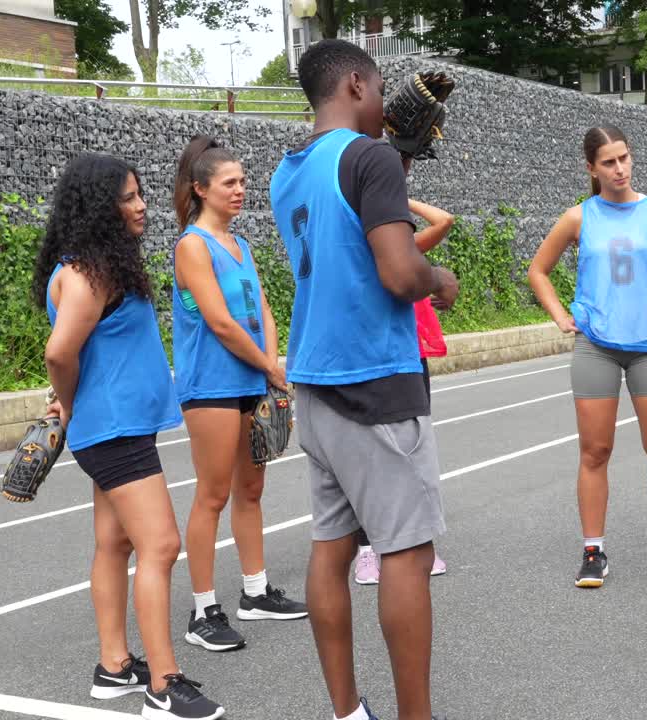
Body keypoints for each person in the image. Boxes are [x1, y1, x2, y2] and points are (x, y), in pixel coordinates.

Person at [270, 39, 460, 720]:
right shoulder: (369, 157)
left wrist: (395, 159)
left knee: (331, 549)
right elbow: (400, 271)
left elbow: (345, 242)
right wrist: (439, 281)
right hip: (375, 378)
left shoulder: (287, 171)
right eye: (378, 90)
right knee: (407, 553)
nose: (384, 104)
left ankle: (346, 711)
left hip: (315, 381)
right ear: (355, 84)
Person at [33, 153, 224, 720]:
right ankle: (164, 685)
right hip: (112, 430)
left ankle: (113, 667)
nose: (142, 206)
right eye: (129, 198)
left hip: (119, 425)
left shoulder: (96, 266)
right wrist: (68, 404)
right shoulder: (91, 273)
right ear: (99, 208)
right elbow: (58, 351)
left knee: (115, 543)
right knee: (161, 544)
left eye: (141, 194)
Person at [528, 125, 647, 589]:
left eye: (624, 157)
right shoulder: (578, 217)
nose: (620, 168)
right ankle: (593, 552)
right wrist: (561, 317)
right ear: (591, 168)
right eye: (608, 162)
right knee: (595, 451)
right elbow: (538, 270)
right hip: (597, 348)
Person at [171, 136, 309, 654]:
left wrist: (272, 363)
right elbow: (222, 324)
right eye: (229, 183)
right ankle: (203, 610)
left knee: (251, 491)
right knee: (213, 494)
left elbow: (264, 311)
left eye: (243, 181)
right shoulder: (192, 245)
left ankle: (255, 592)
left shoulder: (241, 245)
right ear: (201, 189)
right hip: (211, 385)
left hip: (253, 380)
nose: (240, 190)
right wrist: (268, 367)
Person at [353, 197, 453, 586]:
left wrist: (398, 195)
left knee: (412, 448)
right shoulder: (355, 253)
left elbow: (444, 221)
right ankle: (366, 549)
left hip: (408, 356)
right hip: (367, 357)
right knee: (368, 455)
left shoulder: (404, 249)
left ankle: (416, 543)